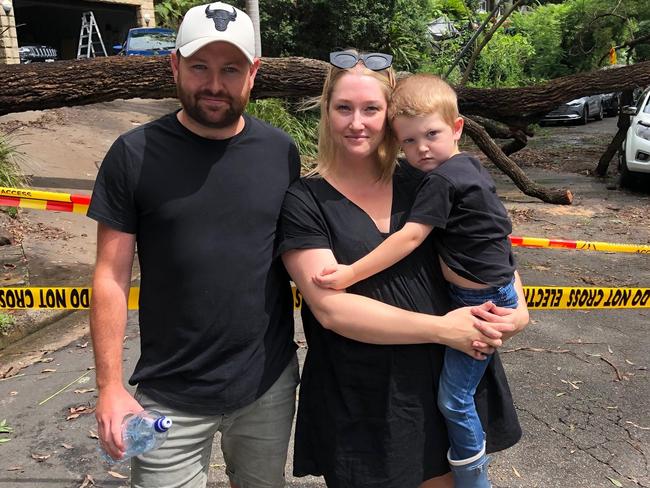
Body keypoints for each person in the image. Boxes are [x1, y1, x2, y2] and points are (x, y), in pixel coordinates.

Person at [278, 49, 529, 488]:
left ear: (390, 117)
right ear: (326, 112)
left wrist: (519, 308)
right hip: (359, 397)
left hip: (438, 383)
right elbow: (332, 311)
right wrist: (441, 328)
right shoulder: (305, 199)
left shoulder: (428, 178)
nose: (357, 122)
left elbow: (486, 241)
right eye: (344, 108)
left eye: (371, 108)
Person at [87, 3, 301, 487]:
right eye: (200, 66)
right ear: (175, 65)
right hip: (168, 395)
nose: (214, 85)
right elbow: (110, 274)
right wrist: (109, 386)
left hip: (267, 385)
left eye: (230, 69)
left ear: (254, 73)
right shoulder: (133, 154)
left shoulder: (280, 152)